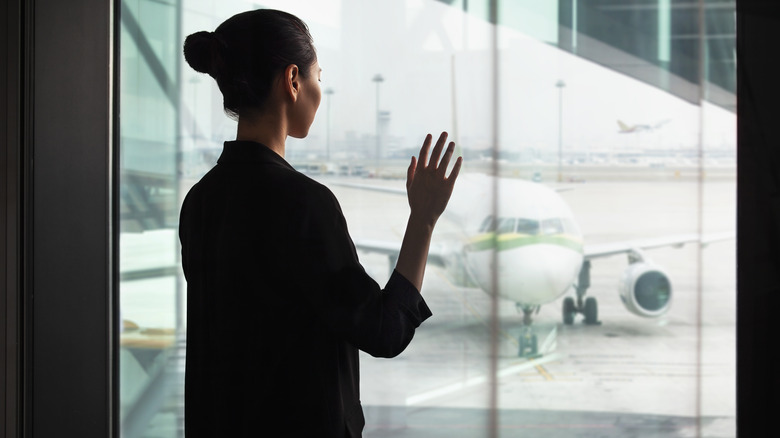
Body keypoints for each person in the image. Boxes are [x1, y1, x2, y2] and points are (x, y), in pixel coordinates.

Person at [179, 9, 462, 437]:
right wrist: (422, 220)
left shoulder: (200, 200)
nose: (318, 90)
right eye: (317, 77)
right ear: (292, 81)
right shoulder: (305, 204)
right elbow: (384, 332)